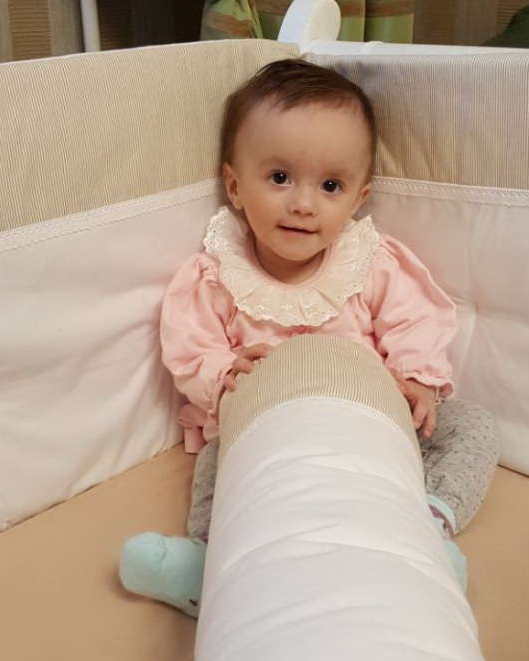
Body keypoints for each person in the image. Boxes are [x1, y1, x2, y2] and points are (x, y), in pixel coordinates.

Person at [119, 59, 498, 618]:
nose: (303, 203)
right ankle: (211, 555)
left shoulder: (369, 263)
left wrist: (417, 379)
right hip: (265, 434)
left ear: (358, 198)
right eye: (279, 178)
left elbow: (414, 320)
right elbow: (189, 343)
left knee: (474, 427)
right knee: (219, 457)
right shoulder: (217, 274)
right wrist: (222, 375)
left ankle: (423, 527)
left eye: (330, 186)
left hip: (370, 425)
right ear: (235, 186)